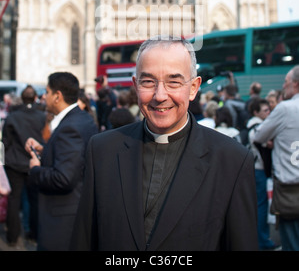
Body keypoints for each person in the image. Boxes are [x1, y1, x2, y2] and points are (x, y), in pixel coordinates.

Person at [70, 36, 258, 251]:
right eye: (148, 82)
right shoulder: (102, 150)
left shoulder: (232, 160)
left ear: (194, 88)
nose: (160, 96)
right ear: (135, 85)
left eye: (174, 82)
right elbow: (84, 240)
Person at [25, 72, 98, 251]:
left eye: (47, 92)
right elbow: (74, 158)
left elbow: (63, 178)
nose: (44, 96)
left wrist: (35, 170)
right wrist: (46, 149)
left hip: (62, 220)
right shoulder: (80, 118)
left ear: (57, 96)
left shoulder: (70, 127)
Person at [254, 66, 299, 251]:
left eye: (286, 82)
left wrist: (274, 140)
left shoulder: (286, 108)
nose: (283, 86)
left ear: (296, 84)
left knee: (292, 241)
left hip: (291, 190)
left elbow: (259, 136)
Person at [2, 85, 46, 246]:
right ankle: (32, 234)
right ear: (35, 98)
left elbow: (5, 141)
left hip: (17, 162)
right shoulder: (41, 116)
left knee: (15, 199)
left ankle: (13, 237)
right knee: (33, 199)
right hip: (30, 161)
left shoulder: (14, 116)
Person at [247, 98, 276, 250]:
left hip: (258, 170)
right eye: (265, 110)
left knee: (260, 205)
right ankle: (262, 241)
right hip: (259, 171)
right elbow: (266, 142)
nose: (268, 112)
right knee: (261, 206)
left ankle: (262, 239)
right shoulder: (256, 128)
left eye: (269, 109)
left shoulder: (254, 125)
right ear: (256, 112)